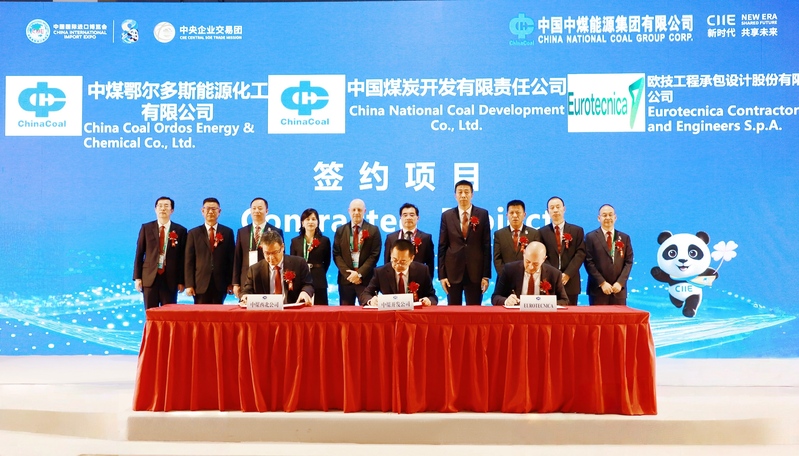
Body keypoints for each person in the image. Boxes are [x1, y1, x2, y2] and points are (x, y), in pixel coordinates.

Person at [438, 180, 491, 305]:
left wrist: (486, 275)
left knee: (474, 311)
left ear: (472, 194)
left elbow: (486, 246)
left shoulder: (482, 214)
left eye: (466, 192)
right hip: (453, 271)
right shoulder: (447, 216)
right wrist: (442, 275)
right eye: (460, 192)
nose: (463, 195)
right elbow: (442, 246)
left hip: (476, 272)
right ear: (455, 195)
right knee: (453, 311)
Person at [133, 196, 187, 309]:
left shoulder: (180, 230)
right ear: (155, 209)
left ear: (172, 210)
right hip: (149, 278)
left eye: (166, 206)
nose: (163, 209)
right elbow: (139, 254)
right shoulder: (146, 228)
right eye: (160, 206)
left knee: (169, 314)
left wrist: (181, 281)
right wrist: (138, 278)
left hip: (170, 279)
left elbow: (182, 258)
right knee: (150, 312)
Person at [184, 197, 235, 304]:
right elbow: (189, 261)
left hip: (220, 284)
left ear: (219, 211)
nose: (211, 212)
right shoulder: (193, 233)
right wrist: (189, 284)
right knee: (200, 313)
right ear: (202, 211)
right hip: (199, 284)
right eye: (207, 209)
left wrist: (231, 283)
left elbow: (231, 260)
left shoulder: (227, 232)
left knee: (218, 313)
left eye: (214, 209)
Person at [241, 231, 313, 305]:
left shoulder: (299, 263)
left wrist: (305, 292)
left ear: (282, 247)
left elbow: (308, 285)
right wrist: (245, 296)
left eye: (275, 252)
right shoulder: (254, 270)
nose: (271, 258)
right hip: (266, 309)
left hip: (292, 308)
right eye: (267, 253)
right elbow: (247, 290)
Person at [332, 199, 382, 305]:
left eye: (359, 210)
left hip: (366, 280)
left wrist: (359, 274)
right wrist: (349, 275)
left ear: (364, 211)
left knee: (369, 311)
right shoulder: (340, 231)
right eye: (353, 210)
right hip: (346, 280)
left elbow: (374, 255)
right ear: (349, 211)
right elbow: (337, 254)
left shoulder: (373, 230)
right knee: (345, 313)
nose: (356, 212)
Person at [538, 196, 586, 305]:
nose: (555, 210)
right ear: (548, 211)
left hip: (571, 281)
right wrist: (554, 274)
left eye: (558, 207)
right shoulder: (542, 232)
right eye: (552, 208)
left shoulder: (577, 230)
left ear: (564, 209)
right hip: (549, 281)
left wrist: (568, 274)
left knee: (571, 313)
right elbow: (542, 256)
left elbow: (580, 254)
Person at [233, 197, 283, 298]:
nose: (257, 211)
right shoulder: (242, 232)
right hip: (246, 278)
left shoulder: (276, 231)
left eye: (260, 208)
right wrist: (235, 283)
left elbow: (281, 257)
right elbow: (237, 258)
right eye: (254, 208)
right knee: (246, 305)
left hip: (268, 277)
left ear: (266, 211)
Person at [361, 239, 437, 306]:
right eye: (395, 260)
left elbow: (432, 296)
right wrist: (371, 301)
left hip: (414, 313)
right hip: (390, 313)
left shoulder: (422, 271)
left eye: (403, 261)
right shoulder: (381, 272)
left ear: (411, 258)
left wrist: (428, 301)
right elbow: (366, 294)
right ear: (391, 255)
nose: (398, 265)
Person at [491, 241, 569, 306]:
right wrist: (506, 301)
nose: (531, 267)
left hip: (542, 316)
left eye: (536, 264)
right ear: (524, 254)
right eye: (527, 262)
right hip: (516, 315)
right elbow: (495, 297)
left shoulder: (554, 274)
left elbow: (564, 300)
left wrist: (546, 303)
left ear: (544, 259)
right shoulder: (509, 270)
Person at [584, 204, 634, 305]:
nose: (608, 218)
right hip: (598, 290)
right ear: (599, 218)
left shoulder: (624, 238)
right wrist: (602, 283)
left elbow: (628, 262)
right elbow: (588, 262)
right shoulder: (590, 237)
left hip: (618, 290)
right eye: (604, 215)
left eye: (610, 215)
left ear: (615, 217)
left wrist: (620, 282)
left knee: (620, 316)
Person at [289, 208, 331, 305]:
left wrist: (318, 271)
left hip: (319, 279)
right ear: (302, 223)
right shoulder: (295, 241)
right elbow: (292, 262)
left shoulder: (324, 241)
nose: (310, 222)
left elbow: (327, 261)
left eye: (313, 219)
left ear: (317, 222)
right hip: (301, 279)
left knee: (321, 309)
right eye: (307, 219)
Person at [383, 203, 435, 279]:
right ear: (400, 218)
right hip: (397, 279)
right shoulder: (391, 238)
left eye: (412, 215)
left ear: (418, 218)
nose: (408, 218)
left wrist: (428, 281)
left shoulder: (426, 238)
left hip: (419, 278)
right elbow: (387, 262)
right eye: (405, 215)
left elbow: (430, 263)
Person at [493, 199, 540, 277]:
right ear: (507, 215)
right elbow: (497, 259)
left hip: (527, 277)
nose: (515, 216)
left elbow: (536, 257)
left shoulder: (534, 233)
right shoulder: (499, 234)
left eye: (518, 213)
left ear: (524, 215)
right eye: (511, 213)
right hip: (505, 279)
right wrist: (505, 277)